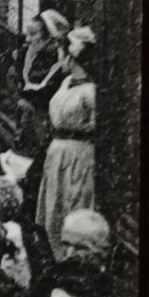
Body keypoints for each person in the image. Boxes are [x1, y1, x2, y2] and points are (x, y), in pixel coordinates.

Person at [37, 27, 96, 241]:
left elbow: (96, 125)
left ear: (72, 56)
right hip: (58, 153)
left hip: (78, 156)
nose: (59, 59)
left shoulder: (90, 91)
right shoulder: (66, 82)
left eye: (61, 54)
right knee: (55, 204)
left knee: (74, 201)